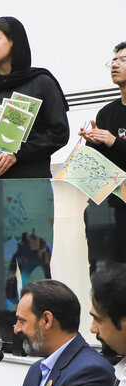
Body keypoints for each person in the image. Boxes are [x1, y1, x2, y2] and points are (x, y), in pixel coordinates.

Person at [0, 17, 69, 337]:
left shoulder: (41, 82)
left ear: (14, 42)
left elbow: (58, 133)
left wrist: (18, 153)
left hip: (30, 192)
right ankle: (6, 339)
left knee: (34, 269)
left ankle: (40, 339)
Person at [82, 42, 126, 274]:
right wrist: (91, 142)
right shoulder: (106, 113)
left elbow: (115, 145)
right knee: (103, 275)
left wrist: (113, 141)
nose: (115, 64)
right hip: (107, 208)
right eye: (114, 60)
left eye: (123, 60)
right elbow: (97, 165)